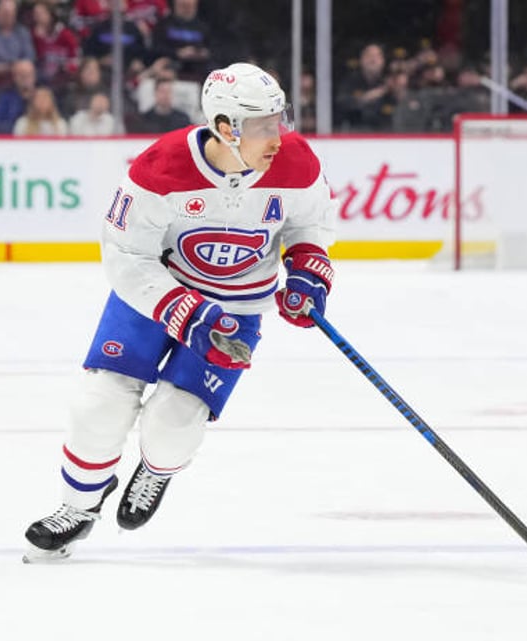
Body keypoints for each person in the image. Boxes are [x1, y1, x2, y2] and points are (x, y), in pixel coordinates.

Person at [23, 62, 338, 562]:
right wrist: (183, 310)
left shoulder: (297, 162)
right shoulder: (160, 166)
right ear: (223, 127)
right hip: (155, 295)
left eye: (279, 119)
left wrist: (308, 270)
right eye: (261, 125)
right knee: (100, 405)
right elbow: (125, 255)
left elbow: (311, 225)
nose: (276, 135)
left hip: (237, 310)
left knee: (172, 428)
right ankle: (78, 507)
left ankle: (157, 468)